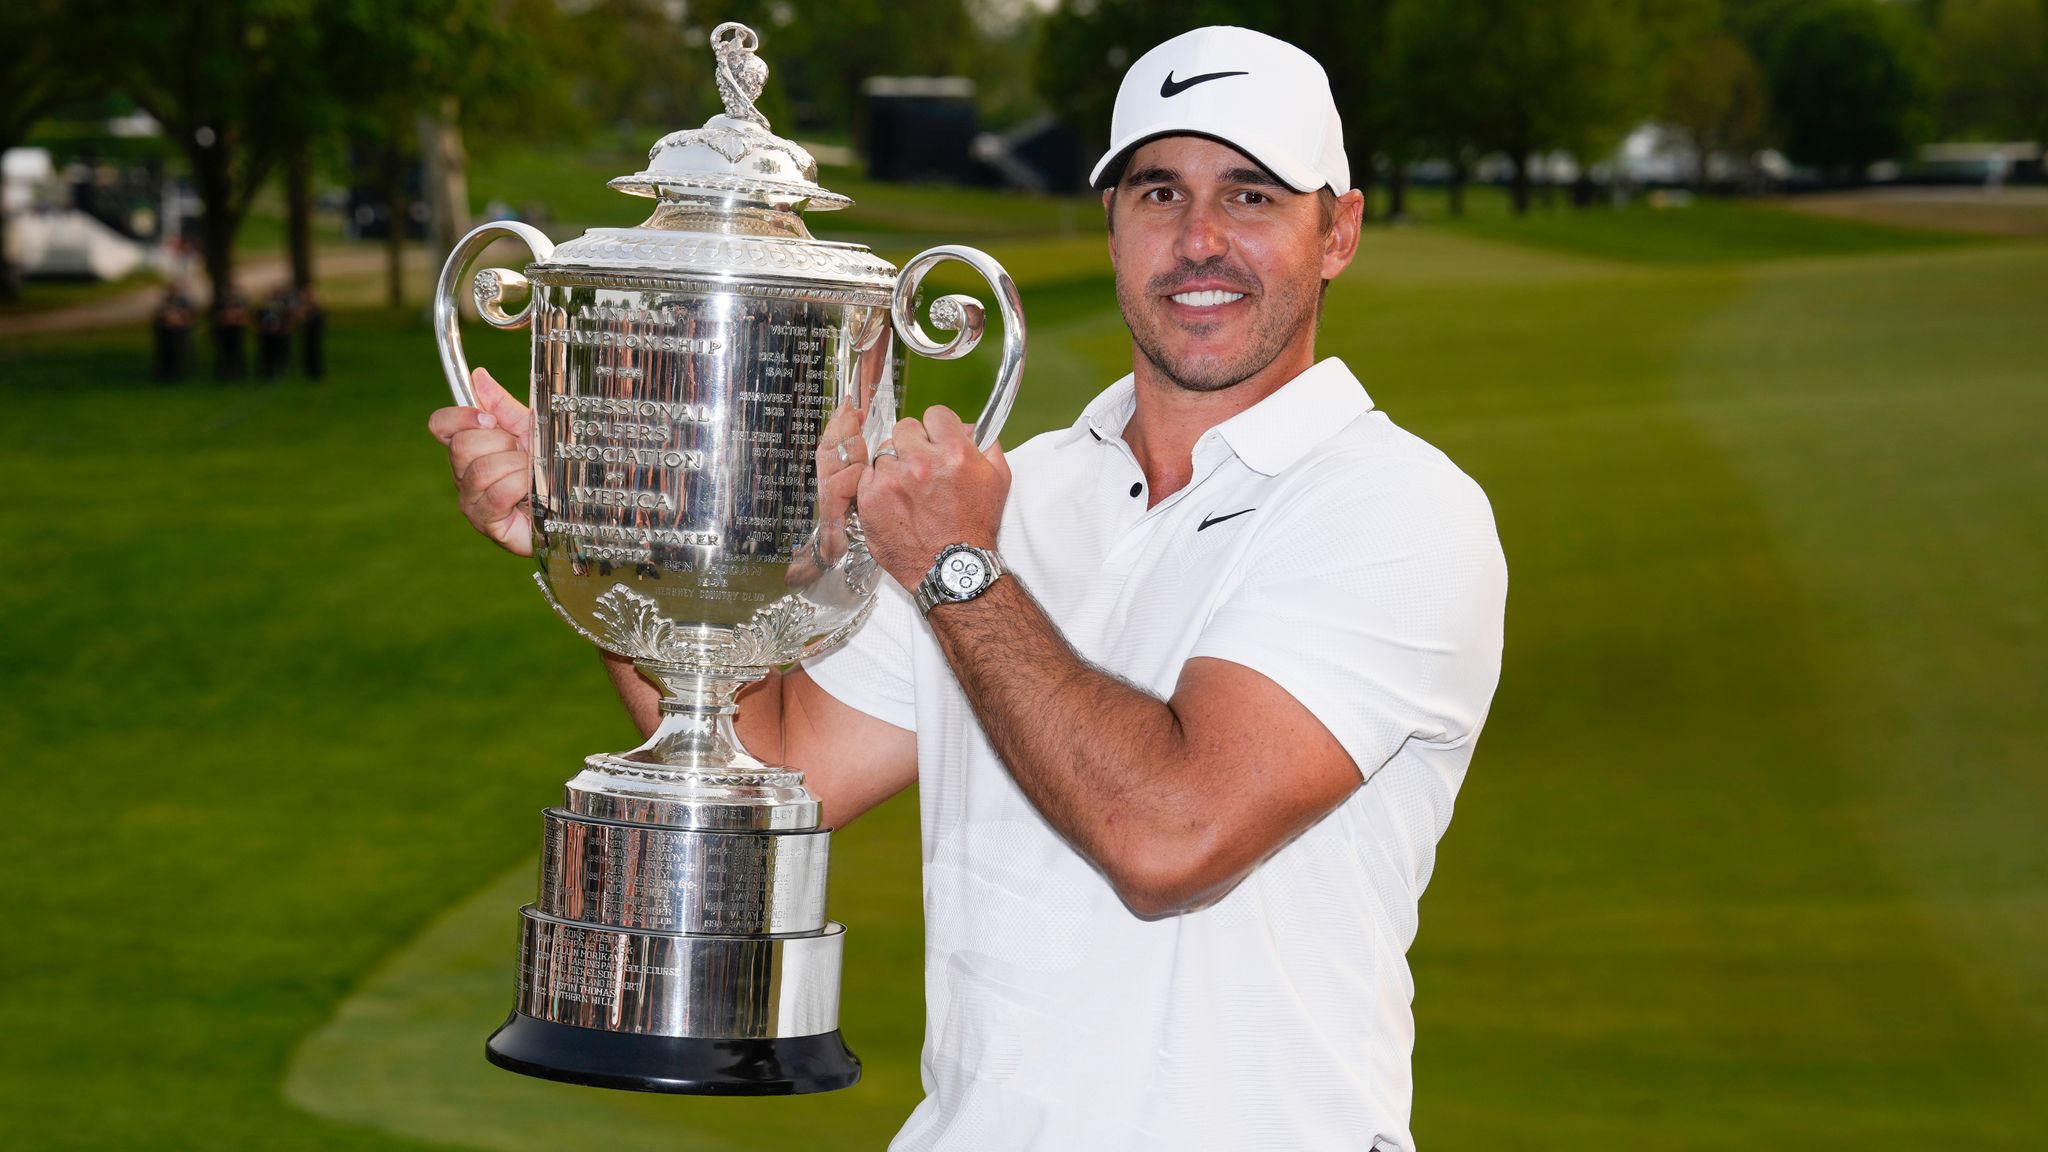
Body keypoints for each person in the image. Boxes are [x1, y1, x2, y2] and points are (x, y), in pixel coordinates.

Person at [431, 26, 1505, 1151]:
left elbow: (1170, 837)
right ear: (1110, 223)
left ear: (1335, 231)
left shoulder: (1396, 508)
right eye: (1156, 192)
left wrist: (952, 569)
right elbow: (782, 762)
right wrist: (614, 529)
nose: (1197, 241)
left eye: (1249, 197)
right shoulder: (1016, 492)